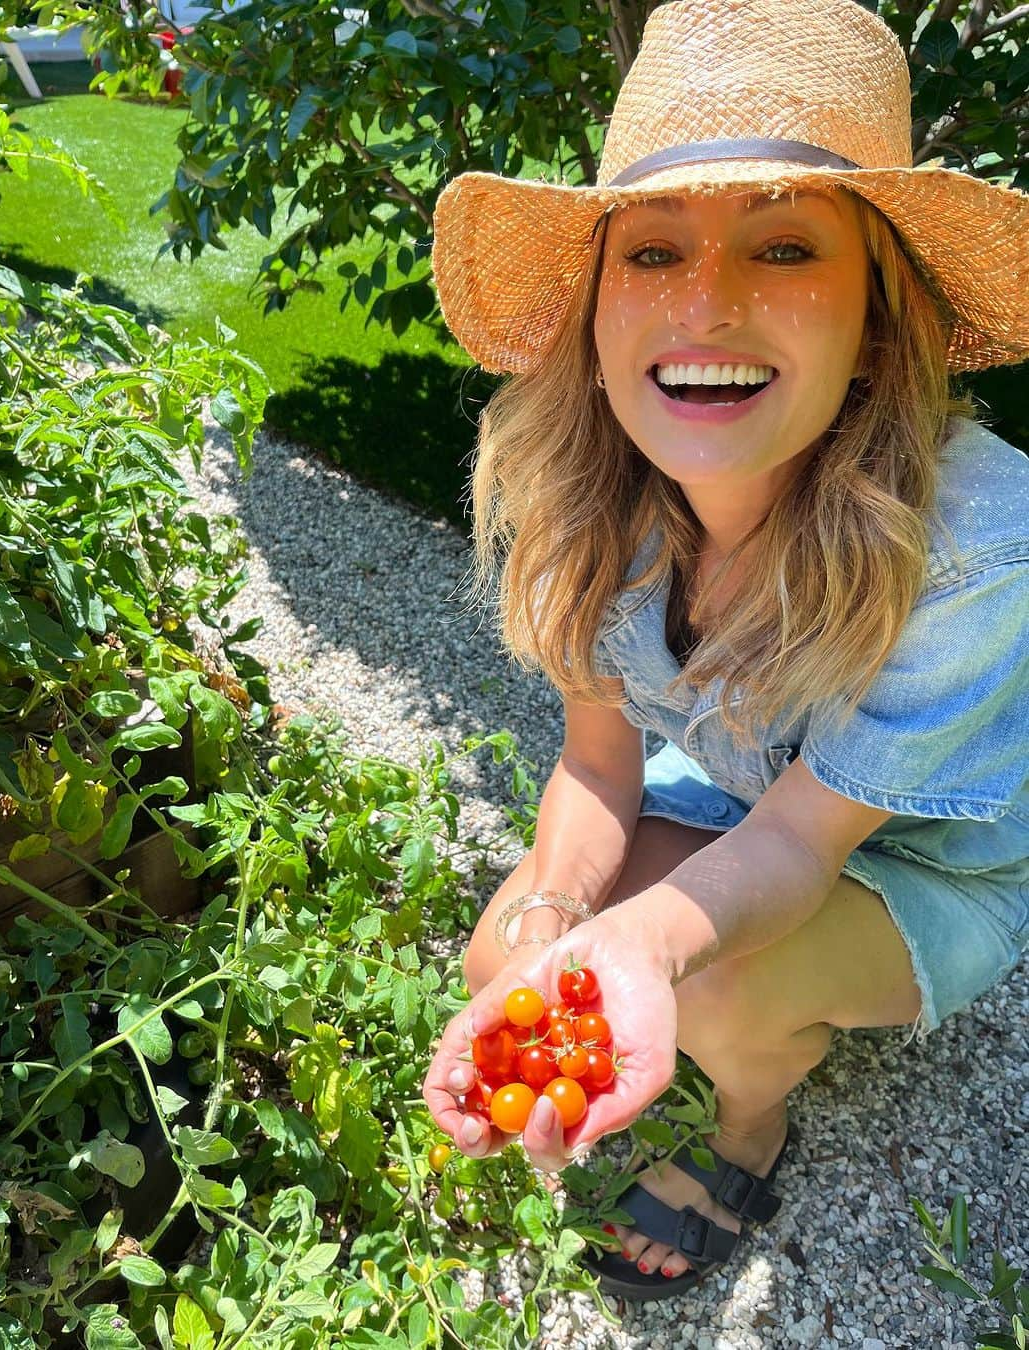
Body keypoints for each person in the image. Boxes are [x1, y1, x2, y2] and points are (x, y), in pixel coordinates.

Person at [421, 0, 1029, 1304]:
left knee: (728, 994)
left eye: (786, 244)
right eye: (651, 254)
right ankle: (658, 1023)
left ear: (876, 312)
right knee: (508, 952)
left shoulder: (977, 536)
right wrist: (553, 918)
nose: (706, 304)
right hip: (757, 807)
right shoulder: (580, 495)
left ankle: (750, 1123)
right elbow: (597, 770)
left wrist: (641, 951)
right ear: (594, 307)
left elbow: (809, 844)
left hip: (930, 861)